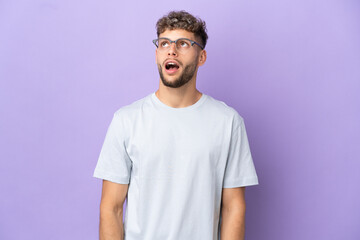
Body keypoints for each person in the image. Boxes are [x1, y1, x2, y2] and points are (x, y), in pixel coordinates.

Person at [93, 10, 259, 240]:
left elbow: (233, 208)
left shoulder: (228, 122)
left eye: (183, 43)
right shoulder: (126, 120)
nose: (171, 50)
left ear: (201, 57)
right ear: (156, 54)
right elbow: (111, 208)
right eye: (164, 43)